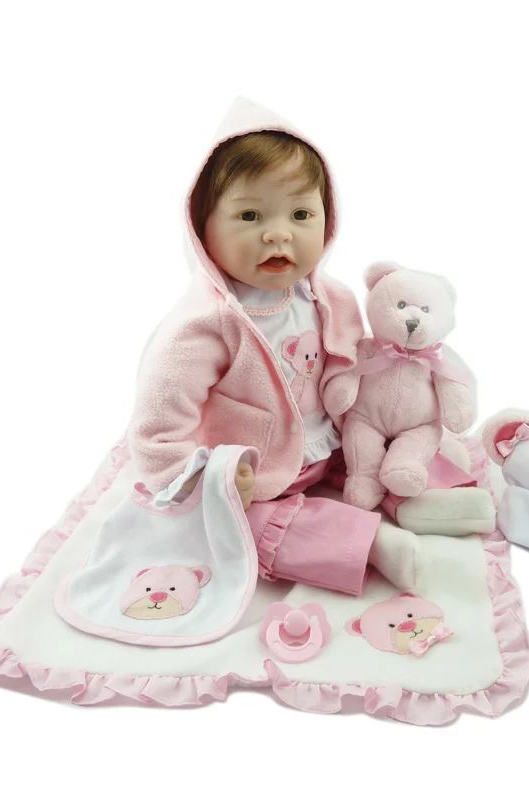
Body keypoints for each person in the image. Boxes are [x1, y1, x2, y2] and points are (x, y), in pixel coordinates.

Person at [129, 97, 427, 594]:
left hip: (331, 447)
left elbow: (353, 366)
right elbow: (157, 425)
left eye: (301, 213)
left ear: (327, 220)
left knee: (391, 451)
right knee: (234, 528)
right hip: (255, 477)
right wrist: (205, 478)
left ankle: (421, 500)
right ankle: (366, 545)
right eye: (249, 215)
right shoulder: (205, 325)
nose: (278, 234)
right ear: (203, 229)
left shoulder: (329, 297)